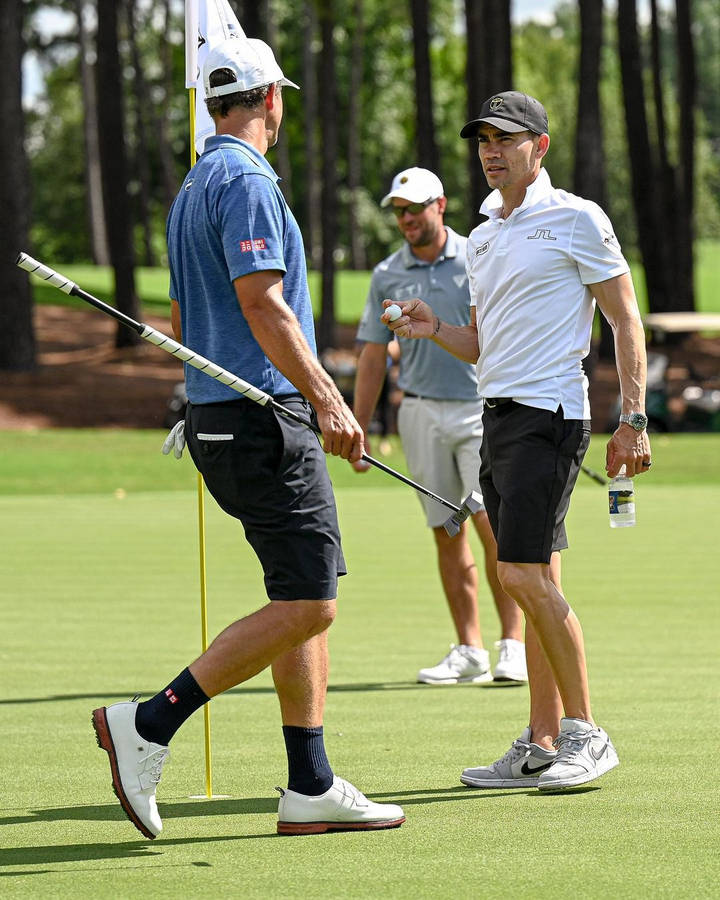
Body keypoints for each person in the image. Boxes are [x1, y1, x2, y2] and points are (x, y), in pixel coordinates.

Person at [92, 36, 404, 838]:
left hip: (221, 418)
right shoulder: (247, 180)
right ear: (271, 100)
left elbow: (182, 320)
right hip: (261, 419)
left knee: (297, 595)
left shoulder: (196, 183)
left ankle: (310, 785)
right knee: (311, 601)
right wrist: (329, 399)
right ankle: (149, 723)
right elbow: (265, 304)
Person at [382, 91, 652, 791]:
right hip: (496, 417)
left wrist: (633, 418)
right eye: (482, 141)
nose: (490, 151)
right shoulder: (485, 237)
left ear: (541, 145)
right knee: (537, 578)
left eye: (505, 138)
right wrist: (432, 329)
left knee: (520, 574)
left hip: (551, 416)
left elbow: (626, 321)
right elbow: (481, 343)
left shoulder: (576, 218)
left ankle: (586, 733)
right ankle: (540, 741)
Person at [353, 167, 527, 685]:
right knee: (445, 530)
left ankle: (511, 644)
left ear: (440, 205)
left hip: (481, 409)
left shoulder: (479, 253)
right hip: (421, 412)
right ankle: (469, 649)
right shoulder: (387, 273)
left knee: (492, 527)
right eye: (399, 211)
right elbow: (370, 353)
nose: (406, 219)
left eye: (415, 208)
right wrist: (358, 425)